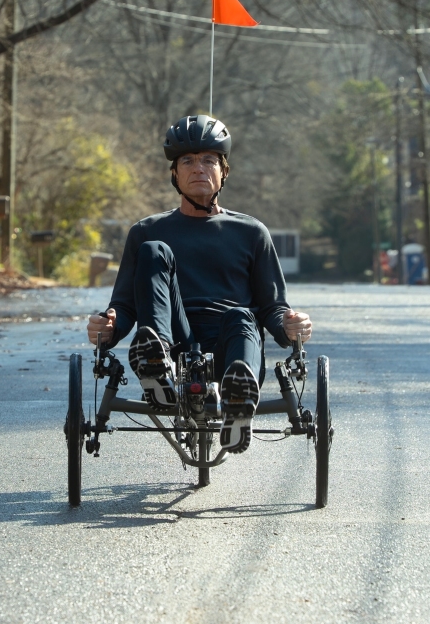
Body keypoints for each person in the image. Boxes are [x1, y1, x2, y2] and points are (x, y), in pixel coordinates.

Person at [87, 115, 313, 453]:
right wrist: (109, 324)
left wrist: (291, 324)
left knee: (242, 315)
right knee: (154, 251)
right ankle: (155, 367)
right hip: (174, 341)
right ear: (175, 174)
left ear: (223, 171)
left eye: (209, 160)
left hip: (231, 342)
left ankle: (239, 397)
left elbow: (272, 307)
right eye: (188, 161)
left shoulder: (251, 233)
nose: (198, 168)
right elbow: (125, 305)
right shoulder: (147, 232)